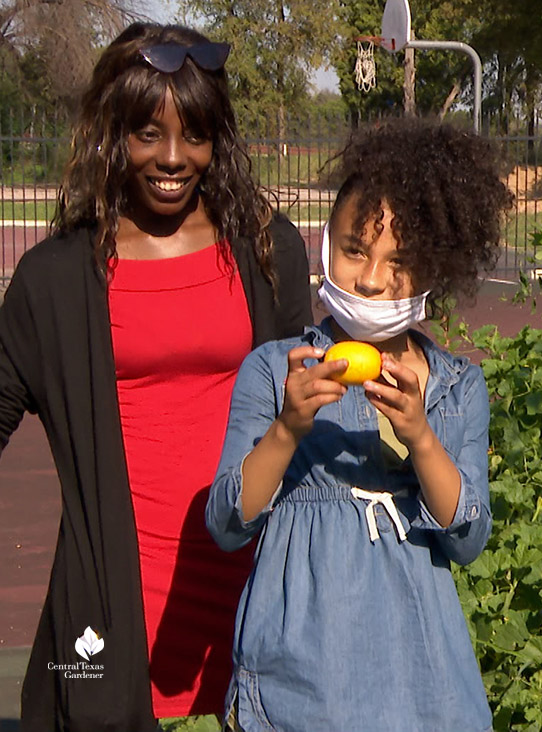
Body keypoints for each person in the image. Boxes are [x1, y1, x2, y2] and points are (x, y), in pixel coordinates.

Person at [0, 22, 312, 732]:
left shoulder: (267, 251)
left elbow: (309, 415)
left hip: (255, 594)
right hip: (114, 605)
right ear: (113, 135)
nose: (174, 158)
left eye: (194, 136)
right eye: (148, 134)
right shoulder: (54, 281)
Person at [207, 117, 514, 731]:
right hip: (302, 678)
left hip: (421, 679)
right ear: (326, 245)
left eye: (398, 261)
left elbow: (468, 538)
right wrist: (289, 427)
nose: (371, 279)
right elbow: (226, 522)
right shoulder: (275, 371)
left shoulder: (456, 387)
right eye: (354, 250)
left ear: (434, 270)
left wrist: (421, 436)